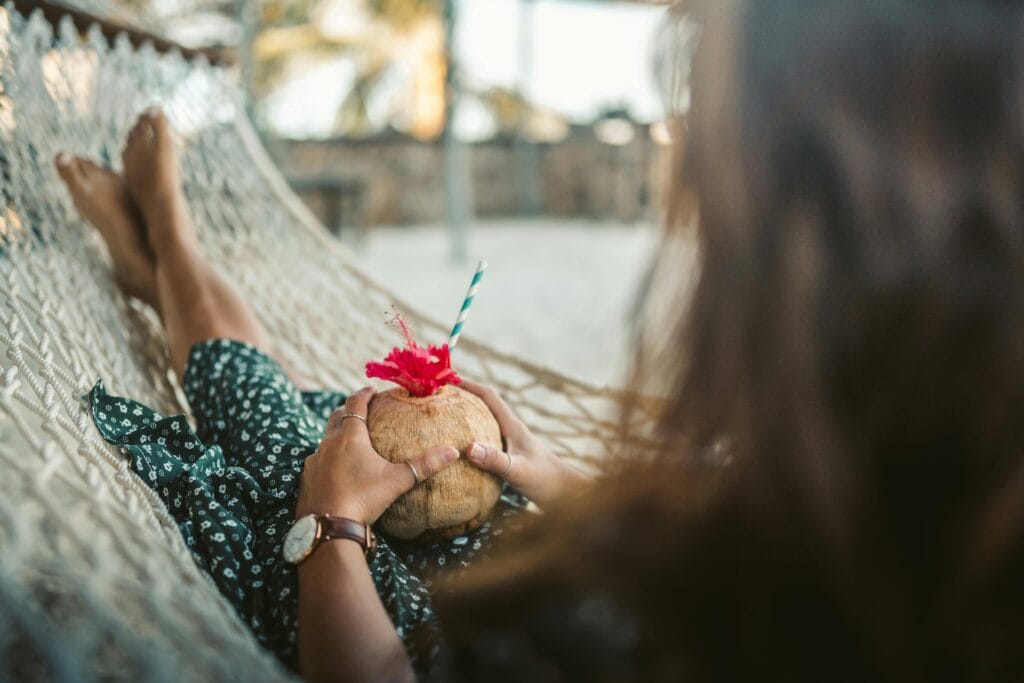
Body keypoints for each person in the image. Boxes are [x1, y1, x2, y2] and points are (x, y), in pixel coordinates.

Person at [61, 0, 1024, 679]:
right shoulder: (929, 518)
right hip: (531, 532)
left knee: (273, 427)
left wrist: (332, 532)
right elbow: (733, 538)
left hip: (392, 607)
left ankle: (168, 250)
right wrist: (557, 475)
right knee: (293, 408)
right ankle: (164, 268)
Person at [55, 107, 590, 675]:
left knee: (290, 444)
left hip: (400, 622)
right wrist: (559, 482)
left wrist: (332, 518)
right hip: (509, 544)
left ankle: (167, 234)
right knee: (328, 424)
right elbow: (668, 562)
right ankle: (157, 273)